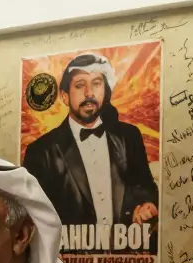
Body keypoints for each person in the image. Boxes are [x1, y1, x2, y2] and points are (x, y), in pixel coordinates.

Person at [22, 53, 159, 238]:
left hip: (125, 256)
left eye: (96, 83)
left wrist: (147, 204)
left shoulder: (129, 137)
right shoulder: (40, 152)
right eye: (80, 85)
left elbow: (146, 187)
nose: (89, 93)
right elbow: (34, 217)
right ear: (64, 96)